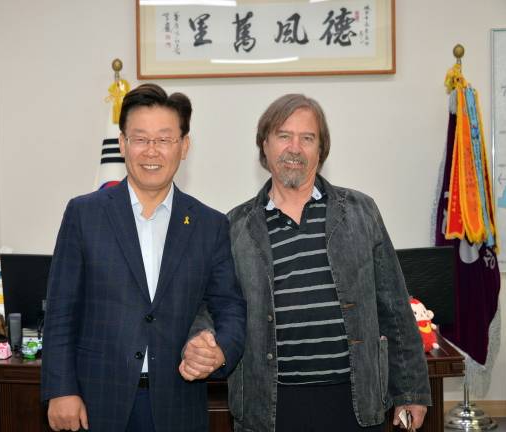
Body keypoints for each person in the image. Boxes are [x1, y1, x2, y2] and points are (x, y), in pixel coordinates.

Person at [182, 94, 431, 431]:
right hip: (271, 406)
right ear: (265, 145)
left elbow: (395, 308)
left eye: (307, 138)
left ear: (320, 149)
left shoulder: (361, 212)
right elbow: (214, 305)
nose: (295, 148)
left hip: (355, 402)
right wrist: (201, 338)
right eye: (284, 136)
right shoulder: (234, 228)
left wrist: (411, 389)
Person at [41, 83, 246, 432]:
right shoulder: (84, 214)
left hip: (178, 401)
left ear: (184, 146)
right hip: (96, 400)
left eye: (164, 139)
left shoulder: (209, 225)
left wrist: (220, 350)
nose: (152, 150)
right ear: (122, 144)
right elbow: (61, 310)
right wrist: (61, 390)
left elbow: (230, 308)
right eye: (140, 138)